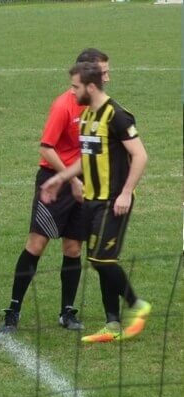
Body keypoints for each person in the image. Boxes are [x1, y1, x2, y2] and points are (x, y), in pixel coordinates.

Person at [40, 62, 151, 343]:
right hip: (91, 199)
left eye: (75, 86)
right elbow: (87, 158)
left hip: (113, 201)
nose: (72, 91)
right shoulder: (88, 115)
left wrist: (126, 192)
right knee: (99, 259)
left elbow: (140, 155)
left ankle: (136, 304)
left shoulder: (117, 115)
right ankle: (112, 324)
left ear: (90, 87)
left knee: (101, 259)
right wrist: (61, 177)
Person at [3, 48, 111, 332]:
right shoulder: (64, 105)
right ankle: (13, 310)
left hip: (83, 182)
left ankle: (67, 312)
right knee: (36, 244)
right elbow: (46, 148)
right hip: (55, 180)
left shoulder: (100, 107)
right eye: (102, 72)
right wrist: (71, 179)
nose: (107, 78)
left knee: (73, 248)